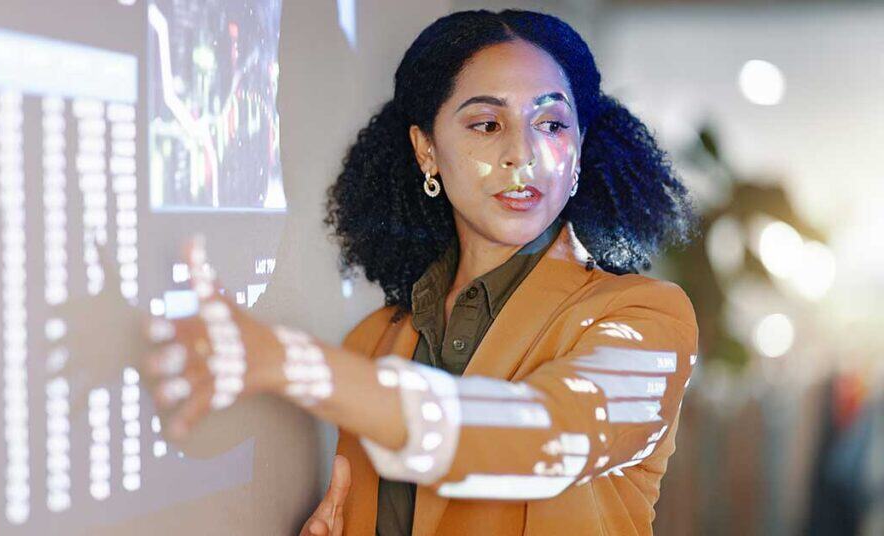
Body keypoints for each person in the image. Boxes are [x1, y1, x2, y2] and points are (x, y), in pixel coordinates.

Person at [139, 8, 699, 536]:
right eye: (486, 124)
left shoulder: (647, 318)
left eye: (551, 124)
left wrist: (293, 363)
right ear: (426, 150)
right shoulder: (371, 343)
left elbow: (548, 437)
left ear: (579, 149)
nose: (523, 154)